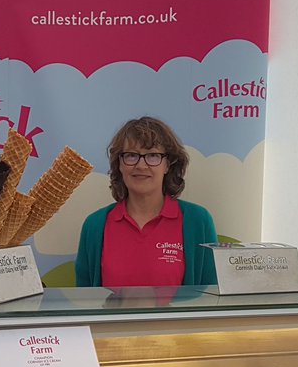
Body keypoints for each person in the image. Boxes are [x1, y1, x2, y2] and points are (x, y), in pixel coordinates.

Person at [75, 116, 218, 287]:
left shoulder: (198, 221)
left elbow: (211, 299)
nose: (141, 166)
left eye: (152, 156)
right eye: (131, 155)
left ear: (168, 165)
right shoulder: (95, 225)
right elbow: (85, 301)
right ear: (119, 165)